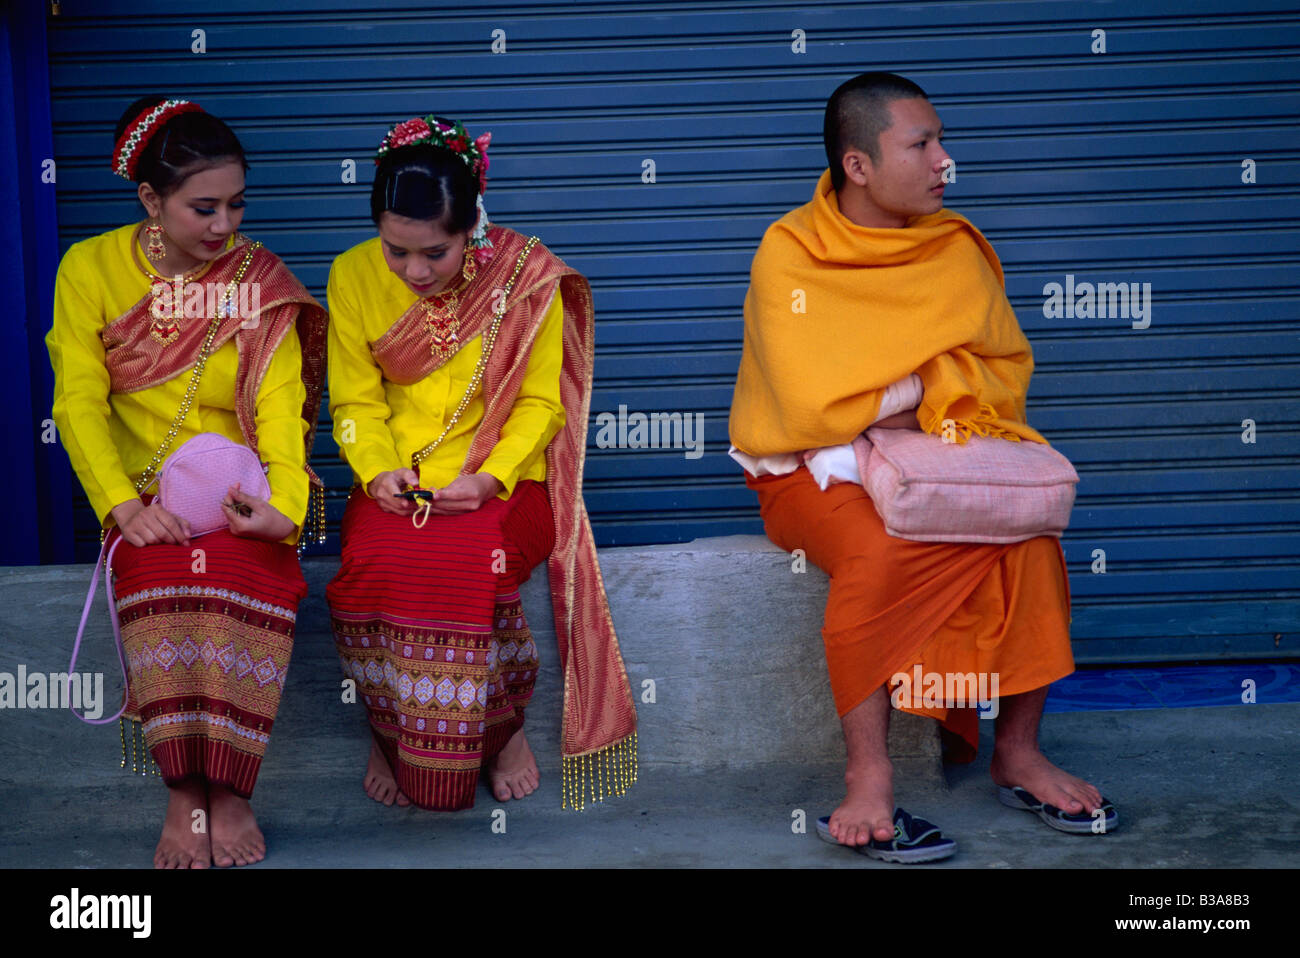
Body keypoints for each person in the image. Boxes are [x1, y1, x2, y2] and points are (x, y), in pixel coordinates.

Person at [728, 73, 1116, 861]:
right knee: (879, 550)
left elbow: (1003, 371)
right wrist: (928, 385)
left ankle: (1020, 750)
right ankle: (869, 776)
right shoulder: (792, 253)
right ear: (859, 165)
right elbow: (807, 406)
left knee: (1031, 538)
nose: (946, 161)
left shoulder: (954, 247)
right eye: (922, 145)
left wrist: (896, 399)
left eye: (942, 141)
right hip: (807, 472)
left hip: (936, 453)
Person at [325, 115, 637, 813]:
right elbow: (350, 400)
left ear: (473, 227)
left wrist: (488, 478)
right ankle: (390, 728)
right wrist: (377, 471)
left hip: (505, 483)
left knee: (472, 562)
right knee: (372, 565)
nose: (412, 271)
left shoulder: (523, 277)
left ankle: (501, 733)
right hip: (395, 485)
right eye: (394, 250)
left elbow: (541, 406)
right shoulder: (349, 275)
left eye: (434, 252)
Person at [47, 96, 327, 869]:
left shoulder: (256, 280)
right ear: (150, 201)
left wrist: (283, 511)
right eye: (203, 208)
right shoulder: (91, 269)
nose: (224, 226)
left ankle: (233, 790)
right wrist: (121, 507)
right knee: (162, 586)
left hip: (241, 502)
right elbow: (78, 400)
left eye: (237, 205)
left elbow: (280, 406)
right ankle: (182, 791)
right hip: (146, 505)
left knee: (252, 580)